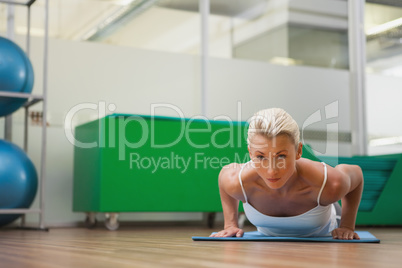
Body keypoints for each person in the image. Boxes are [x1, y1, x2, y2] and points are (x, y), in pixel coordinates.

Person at [211, 108, 363, 240]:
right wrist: (230, 224)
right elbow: (224, 175)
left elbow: (356, 172)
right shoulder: (236, 181)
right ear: (250, 153)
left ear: (298, 151)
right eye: (261, 157)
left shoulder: (330, 184)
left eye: (281, 156)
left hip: (324, 211)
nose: (271, 171)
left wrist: (347, 226)